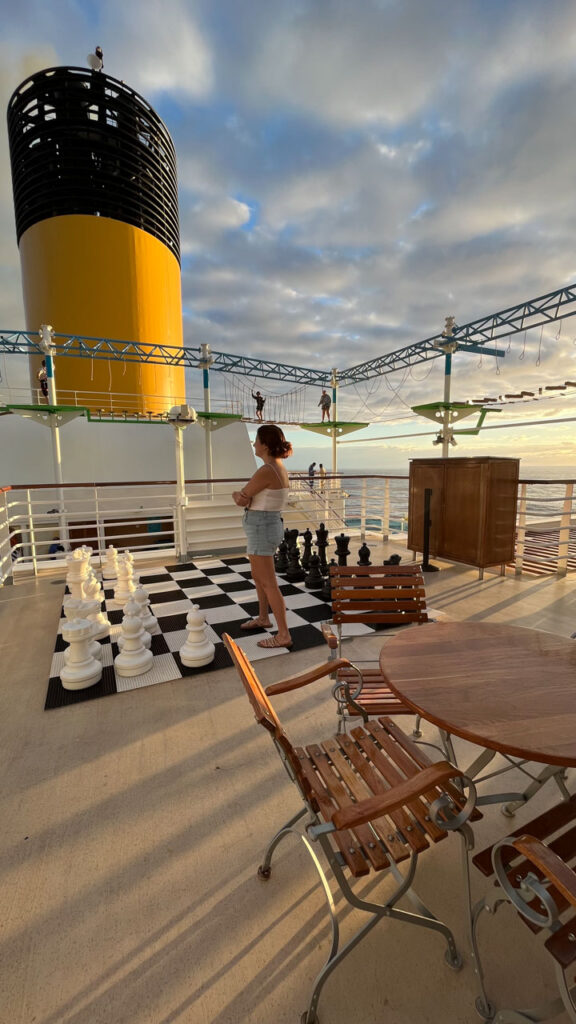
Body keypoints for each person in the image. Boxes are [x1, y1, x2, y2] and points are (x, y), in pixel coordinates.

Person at [232, 424, 293, 649]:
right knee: (259, 578)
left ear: (265, 445)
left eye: (256, 440)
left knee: (268, 582)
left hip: (262, 527)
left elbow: (241, 499)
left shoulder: (267, 470)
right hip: (265, 525)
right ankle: (263, 618)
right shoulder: (278, 467)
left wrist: (235, 494)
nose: (254, 444)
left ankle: (284, 635)